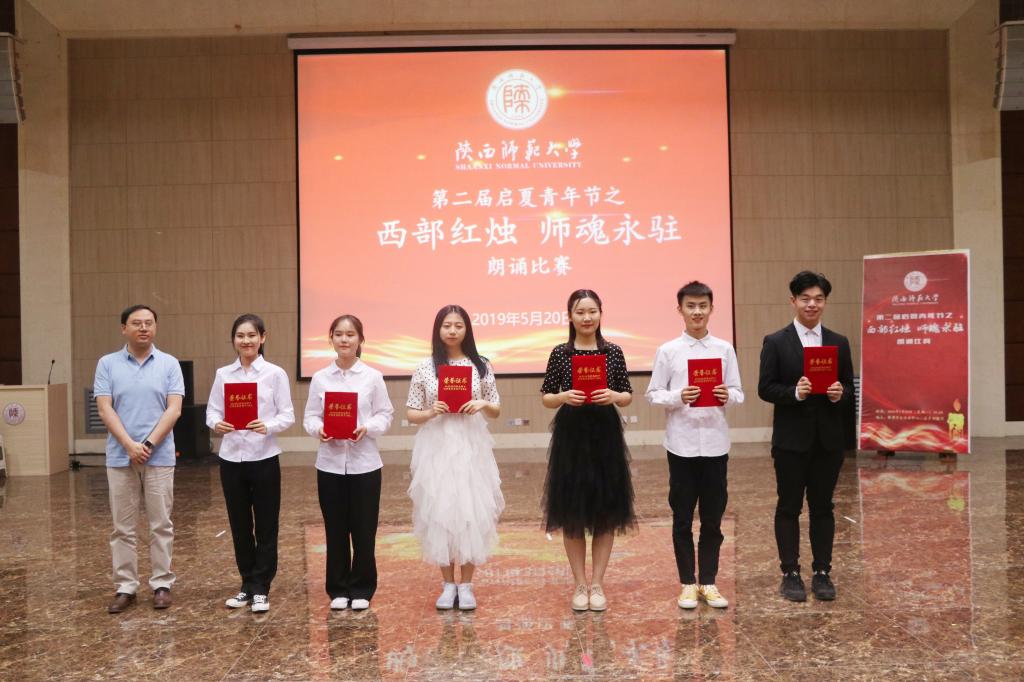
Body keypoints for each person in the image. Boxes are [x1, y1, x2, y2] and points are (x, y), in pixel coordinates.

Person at [758, 271, 854, 602]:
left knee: (823, 507)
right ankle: (790, 573)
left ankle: (823, 572)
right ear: (793, 301)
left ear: (825, 302)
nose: (812, 304)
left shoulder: (839, 342)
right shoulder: (776, 341)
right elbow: (765, 388)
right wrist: (795, 393)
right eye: (805, 298)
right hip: (791, 442)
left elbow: (849, 388)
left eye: (818, 299)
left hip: (828, 442)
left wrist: (839, 393)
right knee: (789, 506)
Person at [646, 281, 743, 610]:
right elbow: (653, 395)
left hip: (715, 445)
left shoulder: (724, 349)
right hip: (681, 446)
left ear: (712, 309)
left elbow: (739, 392)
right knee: (682, 518)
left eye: (703, 305)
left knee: (713, 519)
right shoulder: (668, 350)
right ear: (680, 310)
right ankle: (687, 583)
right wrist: (678, 396)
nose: (697, 311)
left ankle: (709, 582)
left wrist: (727, 396)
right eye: (691, 306)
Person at [541, 289, 635, 612]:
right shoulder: (560, 353)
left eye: (592, 311)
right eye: (580, 312)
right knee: (572, 513)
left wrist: (614, 396)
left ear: (600, 314)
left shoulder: (613, 352)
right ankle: (580, 584)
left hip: (605, 436)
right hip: (571, 437)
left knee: (605, 512)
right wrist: (564, 396)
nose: (586, 317)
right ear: (570, 316)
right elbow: (547, 397)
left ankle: (598, 584)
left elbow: (627, 395)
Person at [406, 304, 504, 611]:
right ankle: (448, 584)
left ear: (467, 330)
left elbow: (496, 408)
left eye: (458, 326)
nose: (452, 331)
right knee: (441, 511)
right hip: (437, 445)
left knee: (471, 511)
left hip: (471, 445)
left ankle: (467, 585)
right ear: (438, 329)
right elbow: (411, 412)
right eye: (446, 325)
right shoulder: (425, 367)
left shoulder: (481, 365)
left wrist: (481, 404)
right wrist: (429, 411)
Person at [94, 304, 184, 614]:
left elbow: (174, 409)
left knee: (161, 523)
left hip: (160, 456)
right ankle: (125, 586)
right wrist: (129, 445)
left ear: (155, 327)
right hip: (120, 457)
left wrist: (147, 444)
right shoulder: (107, 364)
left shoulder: (169, 364)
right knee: (123, 527)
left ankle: (162, 583)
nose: (143, 328)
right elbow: (104, 408)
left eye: (149, 323)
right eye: (136, 323)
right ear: (124, 328)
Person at [304, 315, 394, 611]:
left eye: (351, 334)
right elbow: (310, 417)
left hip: (365, 464)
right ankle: (338, 588)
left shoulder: (372, 377)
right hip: (329, 464)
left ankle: (363, 587)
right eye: (339, 334)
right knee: (335, 528)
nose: (344, 339)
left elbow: (385, 414)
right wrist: (319, 429)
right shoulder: (320, 378)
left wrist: (368, 427)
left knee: (364, 529)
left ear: (360, 340)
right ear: (331, 338)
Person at [206, 313, 294, 613]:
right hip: (231, 458)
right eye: (241, 336)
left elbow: (287, 415)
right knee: (239, 524)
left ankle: (261, 588)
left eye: (252, 335)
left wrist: (267, 426)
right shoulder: (223, 374)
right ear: (234, 340)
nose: (246, 341)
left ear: (263, 338)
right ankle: (246, 584)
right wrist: (217, 424)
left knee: (266, 524)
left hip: (264, 457)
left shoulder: (275, 374)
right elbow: (212, 412)